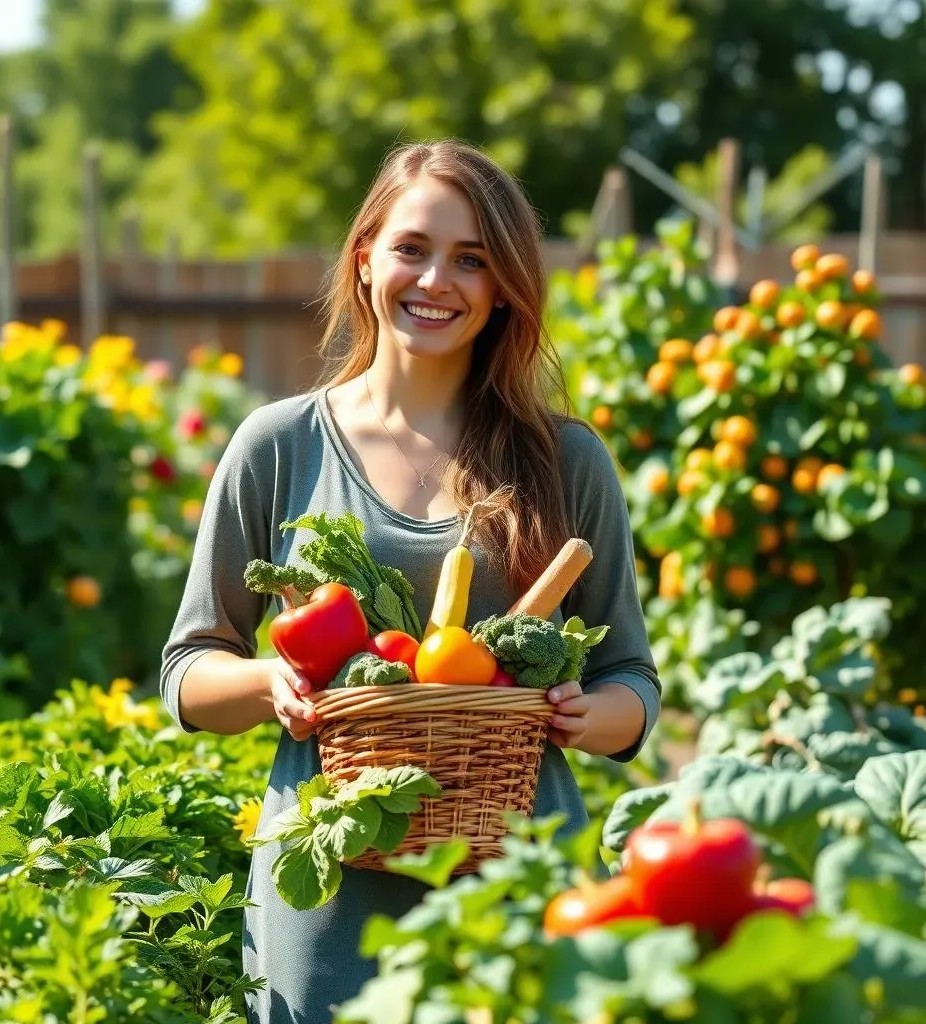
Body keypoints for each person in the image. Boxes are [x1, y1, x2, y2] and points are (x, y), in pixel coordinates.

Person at [160, 139, 661, 1024]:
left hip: (516, 876)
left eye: (472, 259)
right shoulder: (277, 446)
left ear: (505, 285)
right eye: (412, 248)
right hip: (327, 888)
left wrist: (588, 716)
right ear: (364, 259)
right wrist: (268, 680)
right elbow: (189, 673)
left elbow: (634, 682)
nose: (437, 280)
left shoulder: (565, 457)